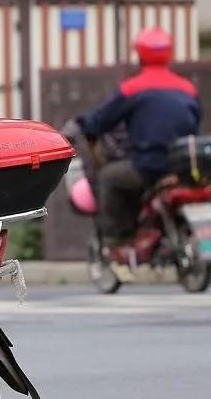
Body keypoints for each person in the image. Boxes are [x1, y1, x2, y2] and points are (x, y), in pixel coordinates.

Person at [76, 27, 200, 273]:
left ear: (140, 55)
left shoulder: (133, 89)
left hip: (149, 167)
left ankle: (117, 241)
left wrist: (84, 125)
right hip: (184, 168)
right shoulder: (188, 89)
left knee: (108, 177)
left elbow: (101, 120)